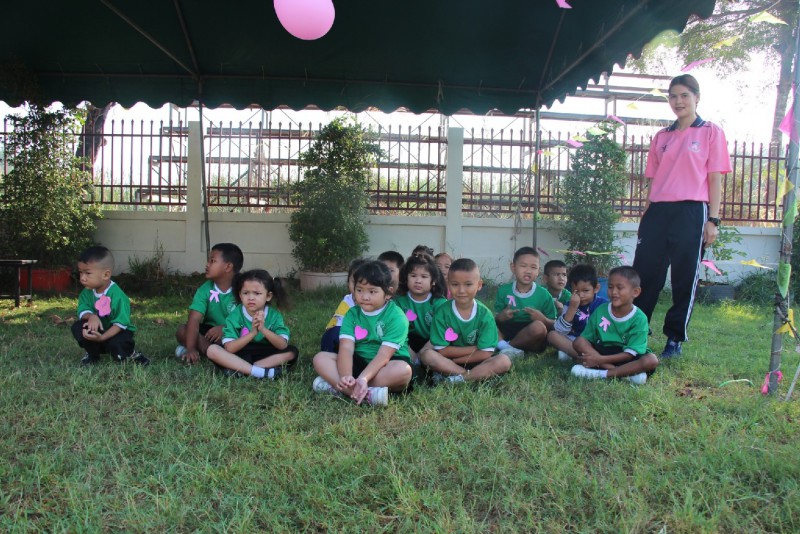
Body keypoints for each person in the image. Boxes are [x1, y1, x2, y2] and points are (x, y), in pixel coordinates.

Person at [632, 74, 732, 358]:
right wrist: (647, 213)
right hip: (658, 211)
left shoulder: (710, 132)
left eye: (684, 95)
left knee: (684, 276)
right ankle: (636, 330)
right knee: (645, 274)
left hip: (692, 211)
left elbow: (715, 179)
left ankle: (674, 338)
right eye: (673, 96)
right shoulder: (662, 137)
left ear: (696, 97)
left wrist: (713, 220)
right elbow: (654, 180)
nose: (678, 101)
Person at [312, 261, 413, 406]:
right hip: (358, 361)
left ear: (388, 293)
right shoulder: (352, 314)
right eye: (359, 290)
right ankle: (365, 393)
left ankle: (342, 388)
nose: (364, 297)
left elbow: (384, 355)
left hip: (386, 364)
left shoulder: (397, 317)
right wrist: (346, 375)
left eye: (372, 292)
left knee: (403, 371)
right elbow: (346, 348)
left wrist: (364, 378)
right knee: (320, 358)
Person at [420, 258, 512, 383]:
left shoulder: (485, 314)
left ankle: (456, 379)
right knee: (427, 355)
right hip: (447, 361)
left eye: (468, 284)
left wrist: (457, 360)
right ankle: (470, 376)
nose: (461, 290)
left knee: (504, 361)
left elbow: (485, 353)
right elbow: (442, 350)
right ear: (448, 284)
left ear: (479, 285)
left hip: (477, 361)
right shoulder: (442, 313)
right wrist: (476, 348)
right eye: (455, 284)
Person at [571, 266, 659, 384]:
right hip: (603, 350)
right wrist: (596, 356)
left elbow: (630, 354)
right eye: (610, 287)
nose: (614, 292)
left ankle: (603, 373)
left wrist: (599, 360)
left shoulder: (640, 318)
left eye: (620, 287)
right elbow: (586, 339)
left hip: (627, 357)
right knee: (579, 341)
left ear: (635, 292)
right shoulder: (600, 310)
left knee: (651, 360)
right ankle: (623, 374)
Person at [206, 269, 298, 379]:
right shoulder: (234, 316)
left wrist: (263, 329)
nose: (251, 298)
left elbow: (282, 345)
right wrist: (252, 333)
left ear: (268, 296)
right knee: (212, 350)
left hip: (266, 354)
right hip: (241, 353)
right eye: (245, 293)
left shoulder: (274, 316)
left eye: (257, 293)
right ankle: (261, 372)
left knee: (292, 352)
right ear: (240, 295)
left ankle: (243, 369)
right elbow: (230, 348)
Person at [71, 246, 149, 366]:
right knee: (79, 327)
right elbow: (83, 310)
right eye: (81, 272)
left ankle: (131, 354)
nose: (82, 278)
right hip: (100, 330)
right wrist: (92, 316)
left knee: (117, 345)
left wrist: (102, 338)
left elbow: (120, 324)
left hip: (117, 331)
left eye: (88, 273)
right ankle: (92, 354)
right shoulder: (87, 292)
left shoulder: (118, 296)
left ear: (106, 275)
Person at [175, 243, 243, 364]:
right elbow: (194, 319)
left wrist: (225, 328)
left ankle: (217, 354)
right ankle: (214, 353)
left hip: (236, 331)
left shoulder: (244, 288)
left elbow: (249, 317)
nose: (207, 265)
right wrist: (190, 348)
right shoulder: (205, 289)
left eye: (212, 261)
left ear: (228, 267)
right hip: (210, 334)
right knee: (182, 330)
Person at [494, 247, 557, 358]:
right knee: (488, 323)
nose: (528, 271)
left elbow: (554, 325)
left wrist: (543, 319)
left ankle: (506, 347)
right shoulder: (503, 290)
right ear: (513, 267)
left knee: (539, 327)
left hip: (530, 332)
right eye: (523, 266)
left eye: (533, 267)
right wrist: (501, 317)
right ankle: (508, 348)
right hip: (507, 328)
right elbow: (495, 318)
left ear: (538, 271)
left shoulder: (544, 294)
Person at [547, 263, 608, 361]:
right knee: (552, 335)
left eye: (585, 290)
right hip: (575, 340)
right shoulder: (570, 304)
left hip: (596, 342)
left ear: (596, 288)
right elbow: (559, 330)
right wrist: (572, 308)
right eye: (576, 291)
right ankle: (583, 356)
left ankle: (575, 355)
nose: (581, 295)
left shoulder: (604, 305)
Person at [394, 253, 447, 365]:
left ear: (433, 281)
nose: (418, 280)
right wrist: (412, 355)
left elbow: (440, 333)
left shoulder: (440, 304)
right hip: (406, 342)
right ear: (406, 278)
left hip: (432, 342)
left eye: (424, 276)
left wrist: (422, 354)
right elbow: (396, 332)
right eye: (413, 276)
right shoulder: (398, 302)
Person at [319, 258, 368, 353]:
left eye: (363, 282)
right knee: (332, 333)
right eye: (354, 282)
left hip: (368, 342)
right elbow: (338, 324)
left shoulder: (376, 303)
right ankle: (329, 355)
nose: (357, 286)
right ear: (348, 282)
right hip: (347, 339)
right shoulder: (347, 301)